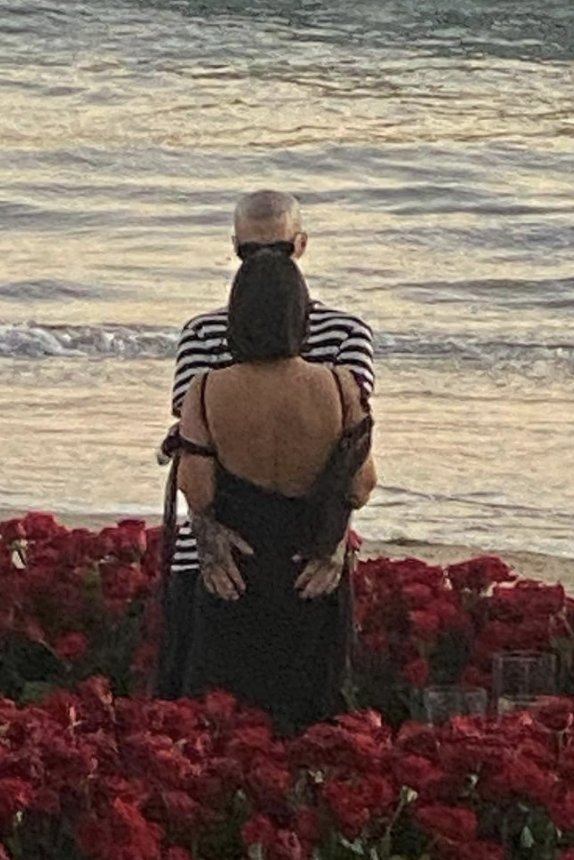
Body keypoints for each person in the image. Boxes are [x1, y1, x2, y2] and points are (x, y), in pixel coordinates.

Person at [156, 189, 375, 701]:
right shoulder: (343, 356)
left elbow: (194, 465)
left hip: (235, 554)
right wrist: (331, 539)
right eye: (252, 254)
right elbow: (355, 463)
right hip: (305, 551)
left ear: (300, 245)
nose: (262, 263)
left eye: (272, 251)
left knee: (207, 713)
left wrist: (211, 541)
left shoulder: (206, 358)